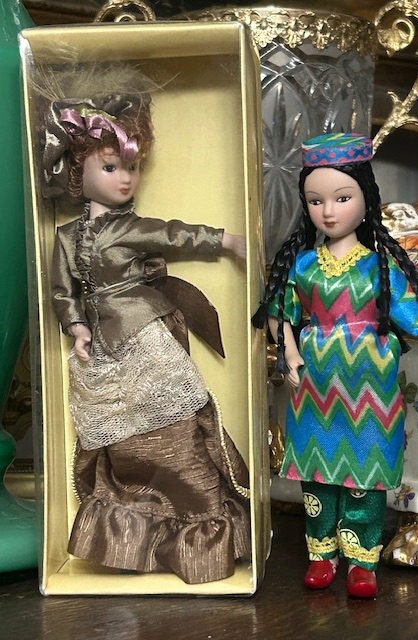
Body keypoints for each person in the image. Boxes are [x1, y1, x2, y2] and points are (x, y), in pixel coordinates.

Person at [252, 132, 418, 598]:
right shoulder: (302, 265)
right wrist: (289, 351)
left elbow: (409, 316)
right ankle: (322, 554)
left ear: (366, 199)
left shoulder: (379, 267)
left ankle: (361, 561)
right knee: (317, 473)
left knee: (365, 473)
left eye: (342, 198)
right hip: (314, 383)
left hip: (371, 386)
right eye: (316, 201)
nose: (328, 211)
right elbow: (280, 314)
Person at [44, 76, 250, 585]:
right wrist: (75, 326)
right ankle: (132, 534)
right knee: (120, 443)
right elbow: (62, 290)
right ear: (78, 171)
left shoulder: (128, 227)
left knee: (174, 427)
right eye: (110, 167)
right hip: (104, 348)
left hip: (146, 335)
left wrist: (226, 240)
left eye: (132, 167)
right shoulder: (66, 237)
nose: (125, 179)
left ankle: (199, 528)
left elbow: (174, 233)